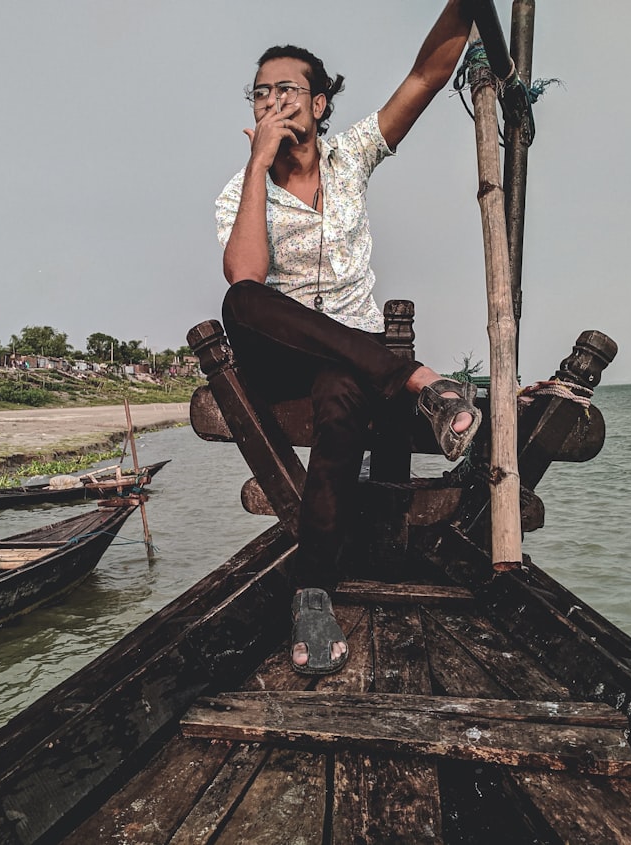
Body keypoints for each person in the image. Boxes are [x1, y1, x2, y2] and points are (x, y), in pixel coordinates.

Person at [215, 1, 480, 675]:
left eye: (289, 89)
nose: (274, 100)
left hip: (351, 371)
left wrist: (466, 7)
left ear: (322, 103)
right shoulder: (240, 191)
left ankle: (311, 593)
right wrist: (256, 164)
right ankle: (423, 381)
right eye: (262, 91)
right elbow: (245, 277)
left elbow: (425, 75)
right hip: (279, 360)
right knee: (241, 297)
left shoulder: (351, 156)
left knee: (341, 392)